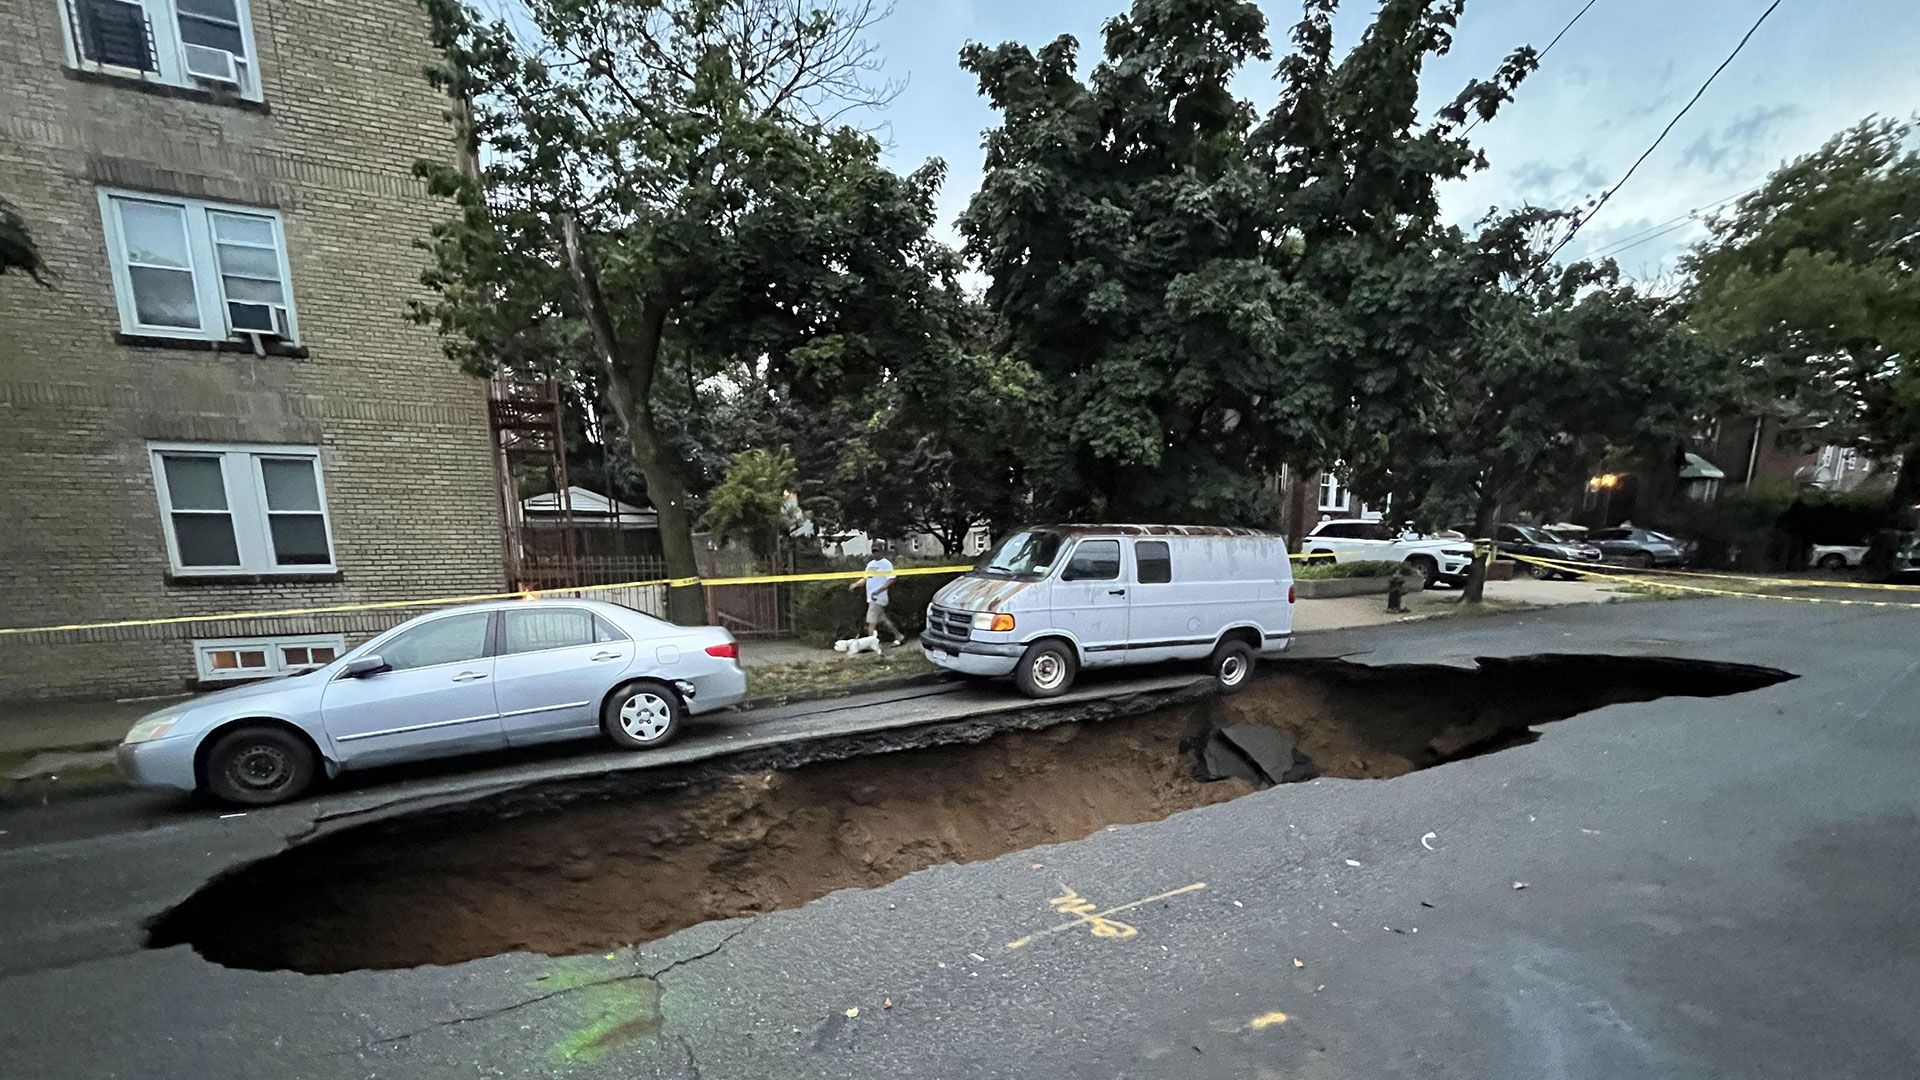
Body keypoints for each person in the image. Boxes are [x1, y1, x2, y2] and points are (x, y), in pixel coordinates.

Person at [848, 541, 905, 646]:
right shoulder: (870, 564)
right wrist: (855, 585)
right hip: (871, 597)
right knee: (883, 620)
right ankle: (899, 636)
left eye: (877, 551)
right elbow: (865, 579)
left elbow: (891, 579)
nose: (875, 553)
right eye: (873, 551)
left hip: (878, 597)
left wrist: (879, 590)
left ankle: (870, 644)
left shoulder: (886, 564)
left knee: (871, 622)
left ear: (881, 551)